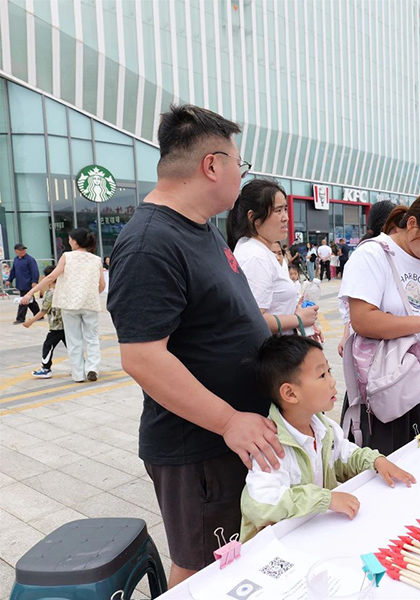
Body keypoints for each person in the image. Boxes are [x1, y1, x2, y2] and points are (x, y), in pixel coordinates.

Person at [107, 105, 283, 587]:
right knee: (203, 568)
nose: (241, 175)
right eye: (239, 164)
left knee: (236, 558)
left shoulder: (201, 227)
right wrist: (228, 421)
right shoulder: (150, 243)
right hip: (200, 446)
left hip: (233, 437)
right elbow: (142, 357)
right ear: (212, 165)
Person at [240, 335, 415, 541]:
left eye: (329, 371)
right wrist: (326, 499)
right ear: (290, 393)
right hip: (279, 546)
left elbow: (345, 456)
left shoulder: (323, 427)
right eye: (322, 375)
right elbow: (262, 504)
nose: (332, 381)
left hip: (316, 532)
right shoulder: (270, 445)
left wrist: (376, 461)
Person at [339, 190, 420, 454]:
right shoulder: (373, 255)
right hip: (383, 384)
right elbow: (362, 320)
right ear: (412, 224)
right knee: (385, 467)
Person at [227, 179, 318, 337]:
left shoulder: (259, 250)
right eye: (278, 210)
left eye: (285, 209)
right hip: (271, 349)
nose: (285, 217)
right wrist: (298, 319)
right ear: (253, 218)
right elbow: (252, 320)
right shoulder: (255, 256)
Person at [21, 228, 105, 383]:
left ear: (75, 241)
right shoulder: (96, 260)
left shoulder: (67, 256)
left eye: (70, 239)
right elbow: (102, 285)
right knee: (92, 338)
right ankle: (92, 368)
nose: (69, 241)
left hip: (69, 304)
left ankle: (78, 374)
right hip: (90, 304)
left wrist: (29, 293)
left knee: (74, 340)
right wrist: (90, 295)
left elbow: (51, 277)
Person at [337, 201, 397, 359]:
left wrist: (346, 334)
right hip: (375, 348)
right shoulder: (368, 254)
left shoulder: (389, 252)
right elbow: (353, 306)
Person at [23, 265, 66, 379]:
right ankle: (82, 365)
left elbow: (43, 311)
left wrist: (30, 321)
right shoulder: (65, 290)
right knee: (72, 347)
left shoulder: (50, 293)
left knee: (48, 346)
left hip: (56, 326)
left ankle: (46, 368)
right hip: (67, 324)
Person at [10, 243, 40, 324]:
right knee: (31, 301)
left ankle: (20, 318)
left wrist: (34, 281)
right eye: (20, 250)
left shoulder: (30, 259)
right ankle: (38, 315)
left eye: (23, 249)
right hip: (20, 284)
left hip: (28, 284)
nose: (23, 251)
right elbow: (13, 271)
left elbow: (35, 271)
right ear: (16, 251)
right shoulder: (16, 260)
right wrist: (9, 280)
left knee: (24, 301)